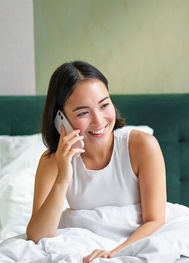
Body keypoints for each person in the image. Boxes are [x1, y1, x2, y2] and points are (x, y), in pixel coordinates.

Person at [25, 61, 167, 263]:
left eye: (104, 105)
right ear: (60, 118)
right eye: (83, 112)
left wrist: (114, 253)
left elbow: (155, 220)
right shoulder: (52, 162)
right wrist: (63, 177)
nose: (99, 120)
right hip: (85, 244)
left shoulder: (143, 146)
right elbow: (37, 235)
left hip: (138, 241)